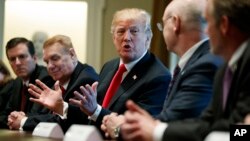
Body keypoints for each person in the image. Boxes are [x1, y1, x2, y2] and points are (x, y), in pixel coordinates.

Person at [121, 0, 250, 141]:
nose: (205, 30)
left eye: (208, 22)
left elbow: (239, 130)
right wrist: (154, 128)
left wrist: (155, 129)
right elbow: (208, 123)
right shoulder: (225, 69)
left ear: (224, 25)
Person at [28, 8, 171, 134]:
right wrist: (62, 107)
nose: (127, 38)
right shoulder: (109, 66)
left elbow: (137, 128)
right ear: (114, 38)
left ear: (148, 37)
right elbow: (89, 116)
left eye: (134, 31)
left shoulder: (159, 77)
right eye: (121, 31)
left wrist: (95, 111)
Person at [101, 0, 223, 138]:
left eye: (163, 25)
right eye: (121, 31)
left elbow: (176, 119)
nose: (127, 38)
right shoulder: (197, 62)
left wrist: (123, 127)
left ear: (175, 23)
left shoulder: (204, 65)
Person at [7, 35, 99, 132]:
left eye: (55, 58)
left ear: (72, 54)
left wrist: (24, 121)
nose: (50, 66)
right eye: (47, 62)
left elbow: (64, 121)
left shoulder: (85, 79)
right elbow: (42, 114)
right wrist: (23, 117)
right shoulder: (59, 82)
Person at [0, 37, 55, 129]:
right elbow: (4, 114)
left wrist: (17, 120)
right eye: (12, 59)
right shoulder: (17, 81)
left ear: (34, 58)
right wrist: (12, 119)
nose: (17, 63)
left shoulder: (45, 78)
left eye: (22, 57)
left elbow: (36, 115)